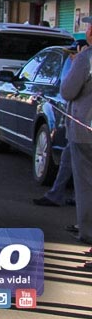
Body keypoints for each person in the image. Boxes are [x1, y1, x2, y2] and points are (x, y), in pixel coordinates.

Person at [60, 15, 92, 245]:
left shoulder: (85, 59)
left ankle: (88, 232)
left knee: (85, 186)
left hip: (85, 131)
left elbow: (68, 91)